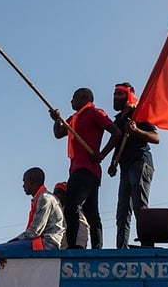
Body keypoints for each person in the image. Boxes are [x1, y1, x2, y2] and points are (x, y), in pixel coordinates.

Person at [50, 87, 122, 249]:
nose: (71, 100)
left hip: (87, 170)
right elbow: (59, 133)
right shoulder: (74, 118)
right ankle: (97, 247)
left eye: (74, 97)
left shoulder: (95, 113)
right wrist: (57, 119)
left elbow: (116, 133)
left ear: (84, 97)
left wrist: (102, 154)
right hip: (77, 169)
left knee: (72, 206)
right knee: (91, 211)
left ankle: (74, 245)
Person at [0, 167, 64, 287]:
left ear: (32, 181)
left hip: (46, 244)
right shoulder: (41, 197)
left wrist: (13, 241)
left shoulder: (45, 198)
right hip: (42, 241)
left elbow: (35, 232)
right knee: (5, 249)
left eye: (24, 181)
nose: (23, 185)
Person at [108, 82, 160, 249]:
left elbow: (155, 138)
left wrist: (136, 131)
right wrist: (113, 163)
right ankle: (121, 248)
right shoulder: (118, 120)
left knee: (139, 205)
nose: (115, 97)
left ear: (129, 95)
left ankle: (147, 243)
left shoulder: (139, 113)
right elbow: (117, 144)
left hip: (140, 162)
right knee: (122, 210)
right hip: (125, 166)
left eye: (119, 94)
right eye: (114, 94)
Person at [52, 181, 89, 249]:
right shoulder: (60, 210)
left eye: (59, 192)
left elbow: (82, 228)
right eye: (54, 193)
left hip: (77, 242)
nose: (55, 196)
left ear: (65, 195)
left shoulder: (73, 210)